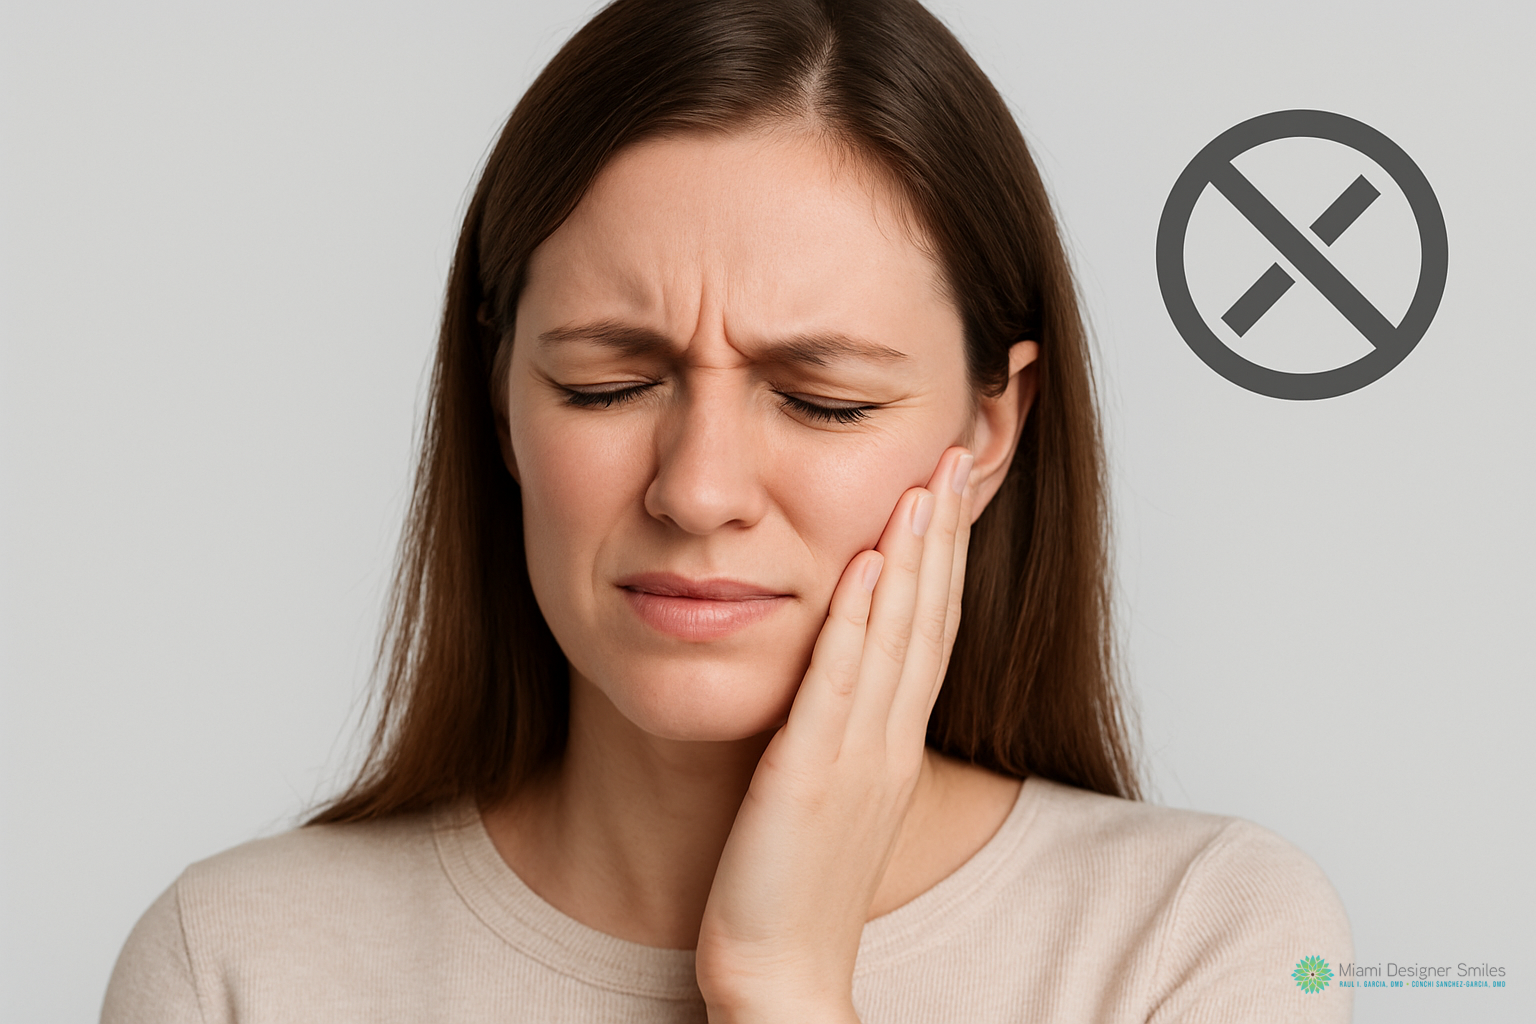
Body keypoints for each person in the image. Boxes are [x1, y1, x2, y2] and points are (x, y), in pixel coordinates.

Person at [102, 0, 1353, 1021]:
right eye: (608, 384)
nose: (697, 489)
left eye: (821, 399)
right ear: (497, 402)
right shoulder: (238, 965)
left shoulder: (1198, 941)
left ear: (988, 432)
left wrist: (784, 985)